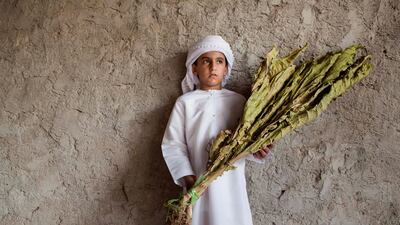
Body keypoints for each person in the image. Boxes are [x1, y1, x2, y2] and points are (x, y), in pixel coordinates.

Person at [161, 35, 272, 225]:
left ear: (226, 68)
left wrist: (260, 150)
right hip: (198, 184)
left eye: (219, 61)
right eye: (206, 61)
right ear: (194, 68)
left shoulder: (240, 102)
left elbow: (247, 142)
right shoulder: (185, 103)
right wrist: (190, 180)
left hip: (232, 183)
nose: (213, 67)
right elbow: (173, 145)